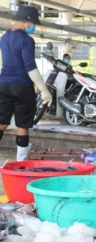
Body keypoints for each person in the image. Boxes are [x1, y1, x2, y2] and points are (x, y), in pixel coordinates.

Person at [0, 6, 52, 161]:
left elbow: (2, 62)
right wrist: (44, 90)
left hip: (3, 84)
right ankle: (21, 161)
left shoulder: (4, 37)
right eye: (32, 23)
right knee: (22, 124)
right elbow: (30, 66)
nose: (33, 26)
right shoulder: (26, 40)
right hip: (22, 85)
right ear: (26, 21)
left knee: (2, 122)